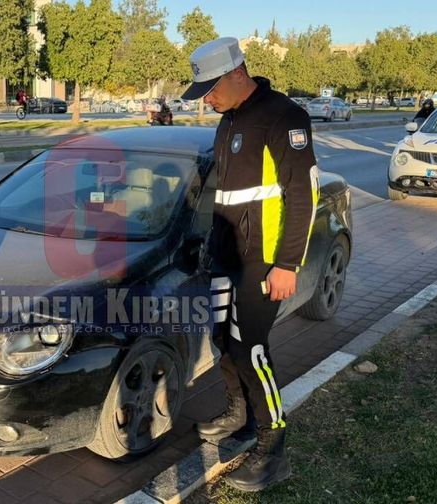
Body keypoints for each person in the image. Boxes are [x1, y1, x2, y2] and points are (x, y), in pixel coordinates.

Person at [180, 37, 319, 492]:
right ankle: (238, 414)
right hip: (226, 256)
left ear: (237, 74)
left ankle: (271, 446)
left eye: (211, 89)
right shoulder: (230, 118)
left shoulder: (283, 117)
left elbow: (304, 195)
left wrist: (287, 264)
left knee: (250, 349)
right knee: (223, 338)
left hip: (263, 263)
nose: (207, 100)